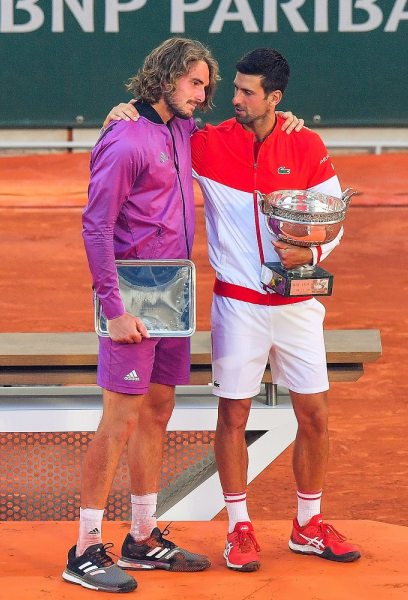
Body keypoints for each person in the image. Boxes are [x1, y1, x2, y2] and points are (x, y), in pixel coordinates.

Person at [105, 47, 360, 573]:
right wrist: (123, 111)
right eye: (235, 88)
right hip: (238, 306)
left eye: (247, 92)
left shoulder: (306, 143)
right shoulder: (206, 142)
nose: (234, 99)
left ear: (275, 98)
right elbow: (153, 131)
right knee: (233, 415)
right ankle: (239, 527)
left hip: (298, 304)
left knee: (315, 415)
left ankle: (308, 525)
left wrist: (312, 255)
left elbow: (332, 218)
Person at [65, 38, 217, 594]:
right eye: (194, 83)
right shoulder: (126, 138)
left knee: (158, 409)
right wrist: (114, 309)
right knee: (120, 419)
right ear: (166, 79)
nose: (201, 95)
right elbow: (96, 226)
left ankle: (143, 536)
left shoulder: (181, 129)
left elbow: (232, 136)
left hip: (173, 291)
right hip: (130, 298)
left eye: (205, 86)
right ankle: (84, 549)